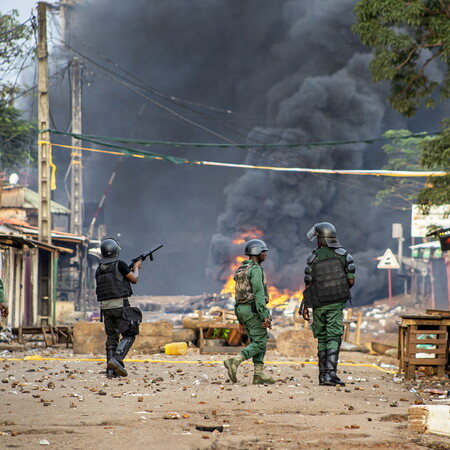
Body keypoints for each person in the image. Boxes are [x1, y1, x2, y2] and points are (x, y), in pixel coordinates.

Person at [302, 222, 356, 387]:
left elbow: (308, 285)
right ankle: (330, 375)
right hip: (335, 303)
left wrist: (305, 306)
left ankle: (322, 376)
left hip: (318, 304)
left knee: (323, 337)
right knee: (333, 336)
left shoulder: (313, 257)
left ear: (320, 239)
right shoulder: (344, 256)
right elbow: (351, 281)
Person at [224, 239, 275, 385]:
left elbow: (237, 294)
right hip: (253, 310)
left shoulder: (240, 270)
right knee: (260, 342)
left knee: (256, 341)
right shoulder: (256, 270)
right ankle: (235, 361)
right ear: (256, 252)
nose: (265, 254)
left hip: (241, 309)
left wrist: (240, 319)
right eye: (263, 251)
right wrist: (265, 315)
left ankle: (258, 374)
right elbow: (259, 294)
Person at [95, 237, 142, 378]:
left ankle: (111, 371)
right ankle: (117, 359)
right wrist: (136, 268)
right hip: (120, 306)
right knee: (129, 334)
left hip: (105, 308)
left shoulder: (99, 268)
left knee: (112, 337)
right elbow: (134, 279)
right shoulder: (120, 264)